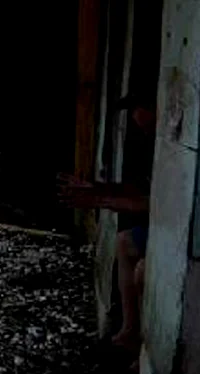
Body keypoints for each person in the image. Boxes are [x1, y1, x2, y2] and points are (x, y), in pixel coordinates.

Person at [59, 95, 155, 353]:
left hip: (175, 235)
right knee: (124, 241)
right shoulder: (150, 146)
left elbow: (154, 202)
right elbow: (139, 189)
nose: (145, 131)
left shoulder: (174, 148)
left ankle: (143, 350)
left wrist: (99, 198)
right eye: (141, 127)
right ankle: (129, 330)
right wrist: (99, 189)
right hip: (155, 228)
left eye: (148, 125)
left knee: (143, 270)